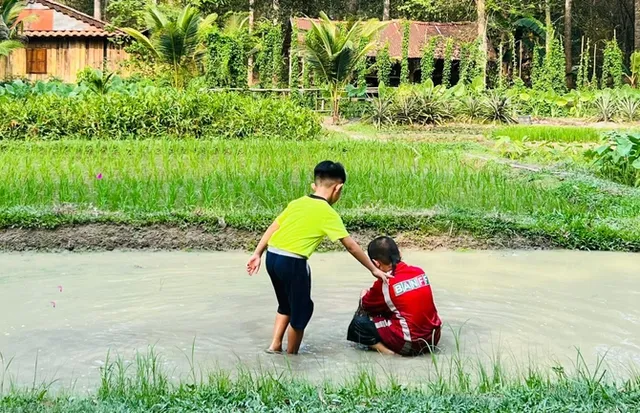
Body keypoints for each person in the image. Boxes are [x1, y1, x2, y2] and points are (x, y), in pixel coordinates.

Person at [246, 161, 391, 355]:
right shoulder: (327, 212)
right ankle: (291, 357)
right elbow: (350, 245)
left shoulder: (296, 203)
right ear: (338, 188)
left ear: (314, 185)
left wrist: (257, 253)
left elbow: (274, 227)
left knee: (286, 304)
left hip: (272, 257)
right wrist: (373, 269)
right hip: (293, 262)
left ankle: (275, 345)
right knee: (302, 310)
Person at [347, 236, 442, 356]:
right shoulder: (419, 271)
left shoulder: (385, 282)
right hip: (433, 339)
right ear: (399, 253)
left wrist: (363, 294)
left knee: (358, 324)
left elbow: (366, 305)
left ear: (376, 263)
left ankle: (389, 353)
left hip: (410, 344)